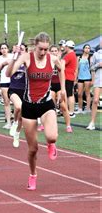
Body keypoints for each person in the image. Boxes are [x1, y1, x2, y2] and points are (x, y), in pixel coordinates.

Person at [10, 32, 65, 191]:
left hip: (46, 103)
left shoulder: (53, 59)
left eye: (46, 49)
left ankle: (50, 144)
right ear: (35, 47)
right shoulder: (27, 58)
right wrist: (15, 56)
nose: (43, 52)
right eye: (41, 49)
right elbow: (11, 69)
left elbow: (61, 69)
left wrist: (62, 89)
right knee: (33, 149)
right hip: (29, 105)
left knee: (52, 136)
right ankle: (33, 175)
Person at [6, 43, 28, 148]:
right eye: (19, 49)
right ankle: (14, 123)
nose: (20, 51)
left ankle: (17, 134)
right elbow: (8, 72)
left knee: (22, 118)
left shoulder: (28, 62)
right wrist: (14, 58)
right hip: (13, 89)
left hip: (25, 91)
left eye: (22, 50)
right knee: (18, 106)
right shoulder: (14, 61)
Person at [0, 43, 13, 129]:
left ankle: (17, 122)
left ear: (8, 49)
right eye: (2, 48)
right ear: (0, 50)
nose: (4, 50)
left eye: (5, 48)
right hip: (4, 81)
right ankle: (8, 122)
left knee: (17, 103)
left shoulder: (13, 56)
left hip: (13, 81)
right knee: (6, 102)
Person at [87, 39, 101, 130]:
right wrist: (98, 65)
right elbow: (91, 67)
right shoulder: (96, 54)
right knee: (95, 100)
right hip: (99, 80)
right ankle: (92, 122)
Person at [76, 44, 92, 114]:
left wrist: (92, 79)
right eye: (86, 48)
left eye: (88, 48)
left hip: (87, 78)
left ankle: (88, 108)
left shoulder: (90, 58)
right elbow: (77, 69)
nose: (87, 49)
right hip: (80, 78)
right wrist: (76, 78)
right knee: (79, 94)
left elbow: (92, 69)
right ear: (83, 49)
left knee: (87, 93)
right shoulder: (79, 58)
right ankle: (80, 108)